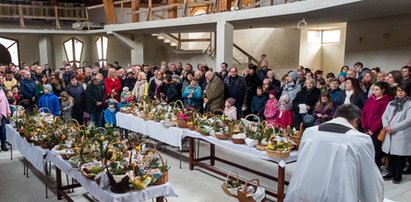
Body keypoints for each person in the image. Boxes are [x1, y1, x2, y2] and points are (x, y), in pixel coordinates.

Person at [285, 104, 384, 202]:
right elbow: (370, 179)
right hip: (338, 194)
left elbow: (301, 162)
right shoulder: (359, 139)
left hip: (305, 190)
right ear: (355, 121)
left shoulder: (310, 132)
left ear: (335, 116)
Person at [381, 82, 411, 184]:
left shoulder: (409, 103)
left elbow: (408, 120)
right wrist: (386, 126)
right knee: (391, 155)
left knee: (400, 156)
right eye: (398, 90)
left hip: (401, 133)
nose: (400, 92)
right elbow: (384, 116)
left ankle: (398, 175)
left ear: (407, 92)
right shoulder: (391, 103)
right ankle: (391, 172)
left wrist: (393, 128)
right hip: (389, 132)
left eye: (402, 91)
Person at [361, 82, 390, 169]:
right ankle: (368, 167)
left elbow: (382, 117)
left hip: (376, 130)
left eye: (377, 90)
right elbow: (364, 113)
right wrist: (364, 127)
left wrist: (373, 130)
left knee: (377, 150)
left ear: (383, 90)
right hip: (366, 128)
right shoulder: (370, 99)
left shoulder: (386, 101)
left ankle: (376, 168)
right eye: (374, 89)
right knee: (367, 149)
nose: (375, 91)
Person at [0, 86, 11, 151]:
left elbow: (6, 102)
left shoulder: (2, 91)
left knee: (3, 131)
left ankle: (3, 144)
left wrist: (8, 112)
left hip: (3, 114)